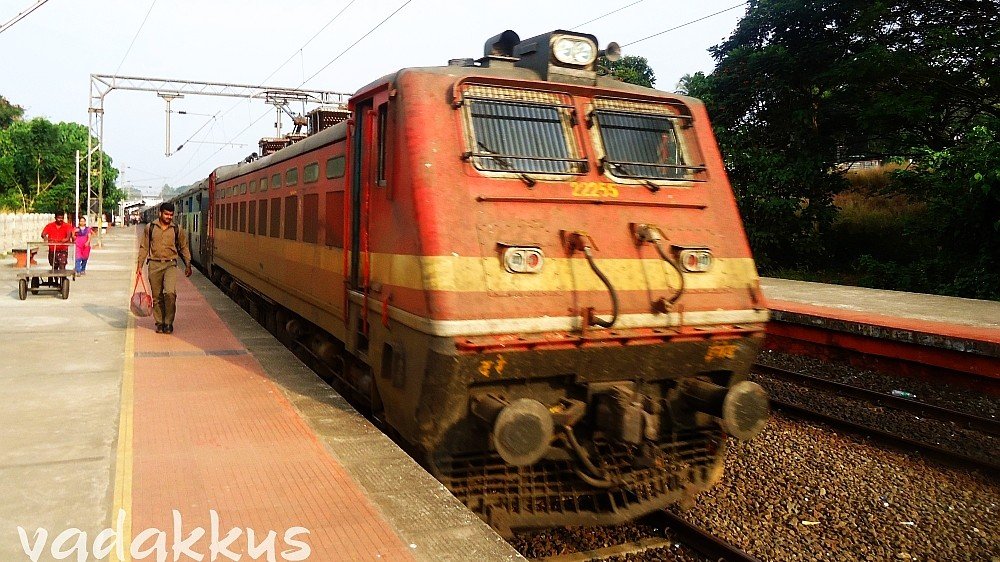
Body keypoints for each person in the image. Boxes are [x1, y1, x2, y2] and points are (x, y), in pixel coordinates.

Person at [136, 202, 192, 334]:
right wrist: (139, 265)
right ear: (160, 213)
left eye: (171, 215)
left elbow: (183, 247)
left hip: (170, 264)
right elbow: (144, 247)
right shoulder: (150, 228)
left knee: (170, 293)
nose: (169, 217)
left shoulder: (177, 229)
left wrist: (188, 264)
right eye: (166, 214)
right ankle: (159, 322)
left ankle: (168, 322)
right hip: (154, 264)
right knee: (157, 296)